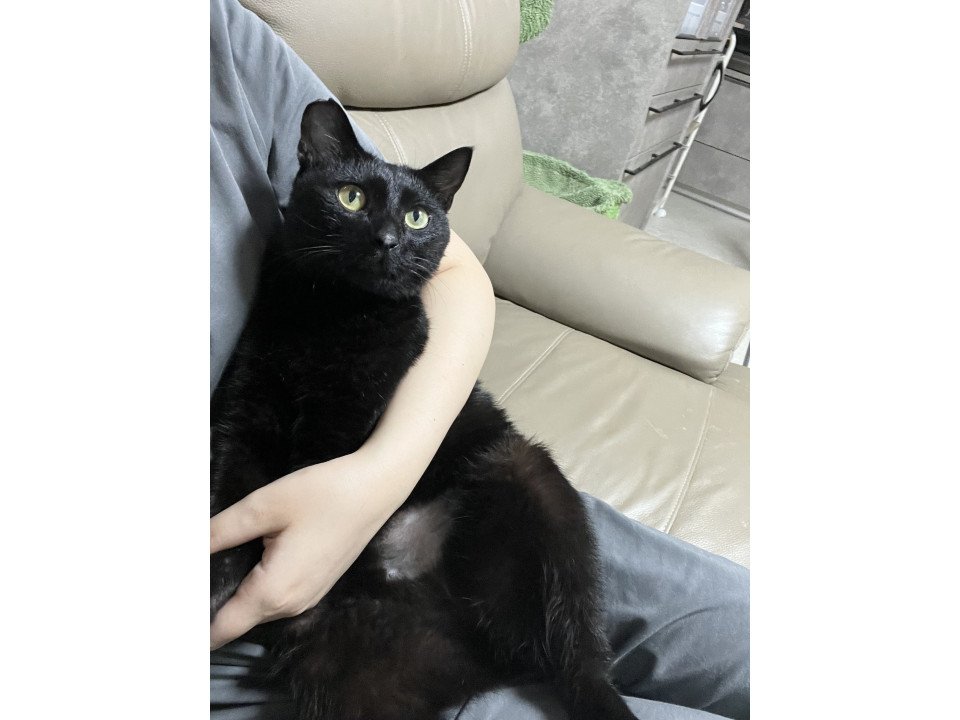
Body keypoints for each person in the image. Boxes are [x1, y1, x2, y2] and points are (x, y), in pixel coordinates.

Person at [209, 1, 749, 718]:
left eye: (413, 219)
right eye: (355, 201)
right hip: (303, 609)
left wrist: (377, 478)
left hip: (456, 481)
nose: (389, 236)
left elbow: (459, 272)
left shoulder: (222, 36)